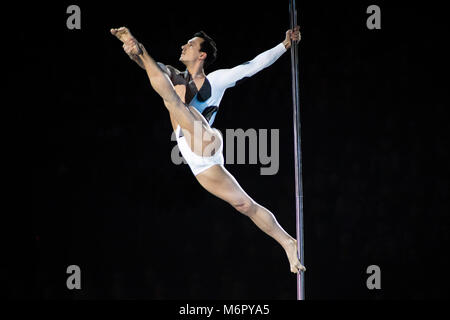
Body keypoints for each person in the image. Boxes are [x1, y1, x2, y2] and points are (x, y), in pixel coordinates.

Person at [110, 26, 306, 274]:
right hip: (195, 157)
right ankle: (289, 242)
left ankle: (142, 49)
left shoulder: (216, 80)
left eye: (190, 44)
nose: (183, 46)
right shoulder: (173, 74)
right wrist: (133, 52)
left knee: (174, 99)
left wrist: (284, 45)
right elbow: (152, 69)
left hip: (205, 139)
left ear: (202, 55)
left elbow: (253, 65)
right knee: (243, 205)